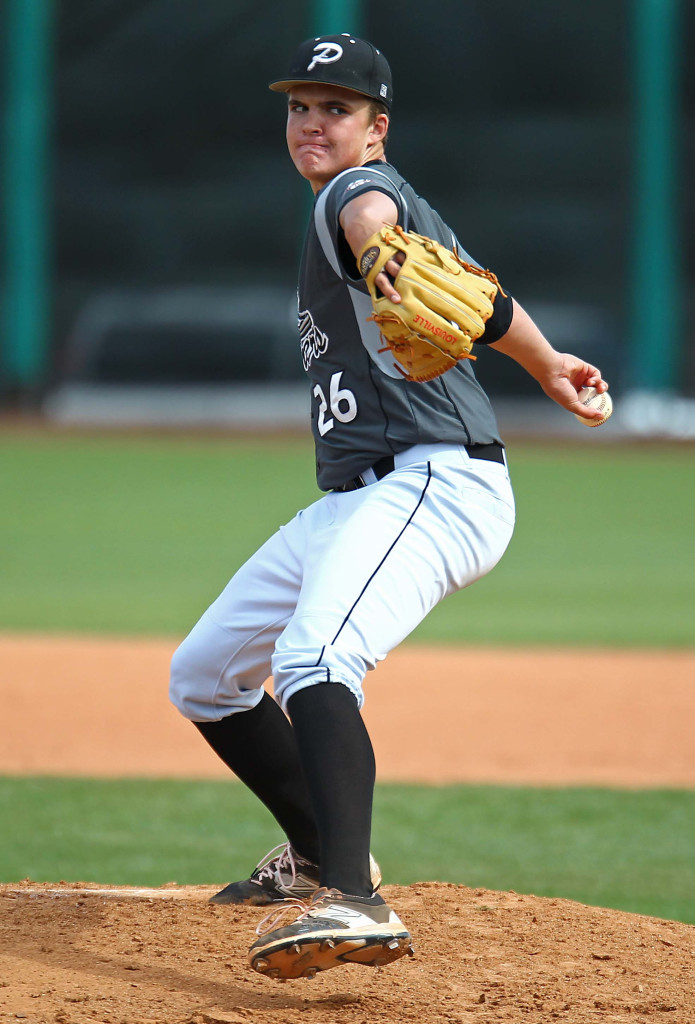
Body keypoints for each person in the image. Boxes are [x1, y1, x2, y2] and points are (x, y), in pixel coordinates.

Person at [169, 33, 608, 982]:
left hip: (435, 482)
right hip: (362, 495)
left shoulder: (356, 198)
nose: (311, 123)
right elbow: (482, 289)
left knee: (317, 658)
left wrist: (375, 246)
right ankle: (322, 855)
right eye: (299, 106)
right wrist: (550, 366)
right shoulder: (393, 209)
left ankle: (356, 903)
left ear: (376, 129)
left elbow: (365, 215)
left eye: (335, 108)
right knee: (204, 675)